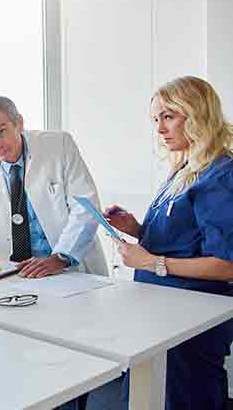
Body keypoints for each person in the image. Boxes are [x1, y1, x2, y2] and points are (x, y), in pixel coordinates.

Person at [102, 76, 233, 410]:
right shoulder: (186, 168)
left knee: (186, 398)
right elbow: (179, 239)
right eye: (155, 119)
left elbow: (226, 264)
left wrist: (151, 263)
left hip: (191, 320)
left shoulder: (221, 174)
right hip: (160, 315)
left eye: (168, 116)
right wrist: (136, 228)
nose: (159, 128)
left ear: (197, 113)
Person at [0, 96, 108, 278]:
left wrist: (61, 257)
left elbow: (86, 207)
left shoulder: (59, 146)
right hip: (19, 274)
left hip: (72, 270)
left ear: (19, 124)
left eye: (2, 132)